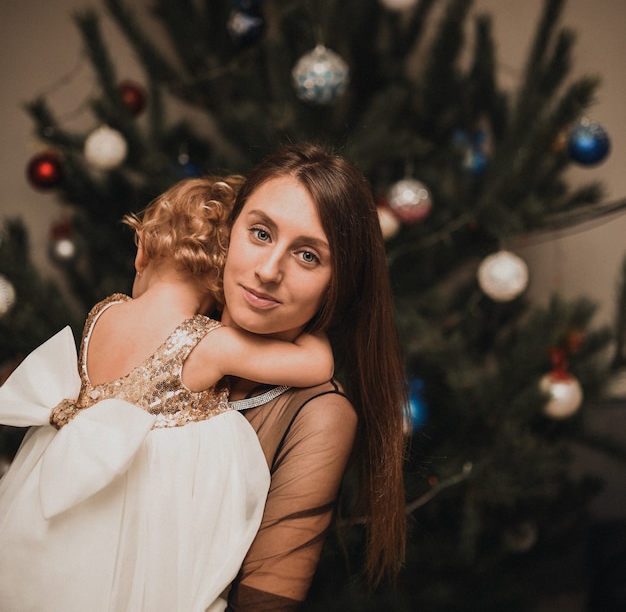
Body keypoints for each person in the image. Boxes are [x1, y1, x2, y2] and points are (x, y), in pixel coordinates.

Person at [0, 176, 335, 612]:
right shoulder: (206, 343)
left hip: (56, 498)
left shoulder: (105, 312)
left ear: (141, 251)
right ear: (222, 285)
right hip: (142, 519)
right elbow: (316, 366)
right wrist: (318, 328)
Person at [220, 142, 408, 610]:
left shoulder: (320, 414)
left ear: (338, 284)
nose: (267, 271)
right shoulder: (158, 325)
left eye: (308, 256)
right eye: (260, 233)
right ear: (229, 229)